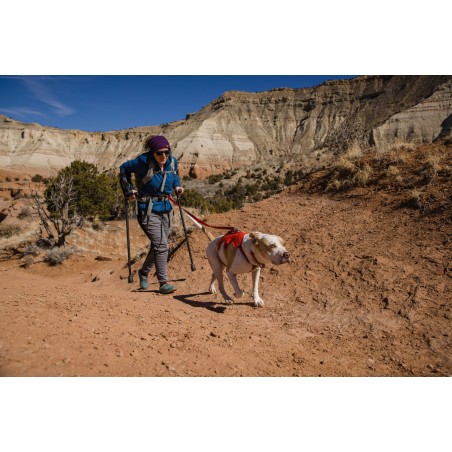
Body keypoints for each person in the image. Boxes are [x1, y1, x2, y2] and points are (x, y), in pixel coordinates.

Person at [119, 135, 184, 294]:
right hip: (147, 208)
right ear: (152, 152)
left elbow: (174, 176)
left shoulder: (172, 162)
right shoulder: (142, 161)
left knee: (159, 244)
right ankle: (163, 282)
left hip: (166, 208)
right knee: (162, 245)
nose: (164, 156)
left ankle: (143, 272)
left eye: (166, 152)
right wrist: (129, 189)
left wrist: (178, 186)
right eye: (160, 153)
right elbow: (123, 168)